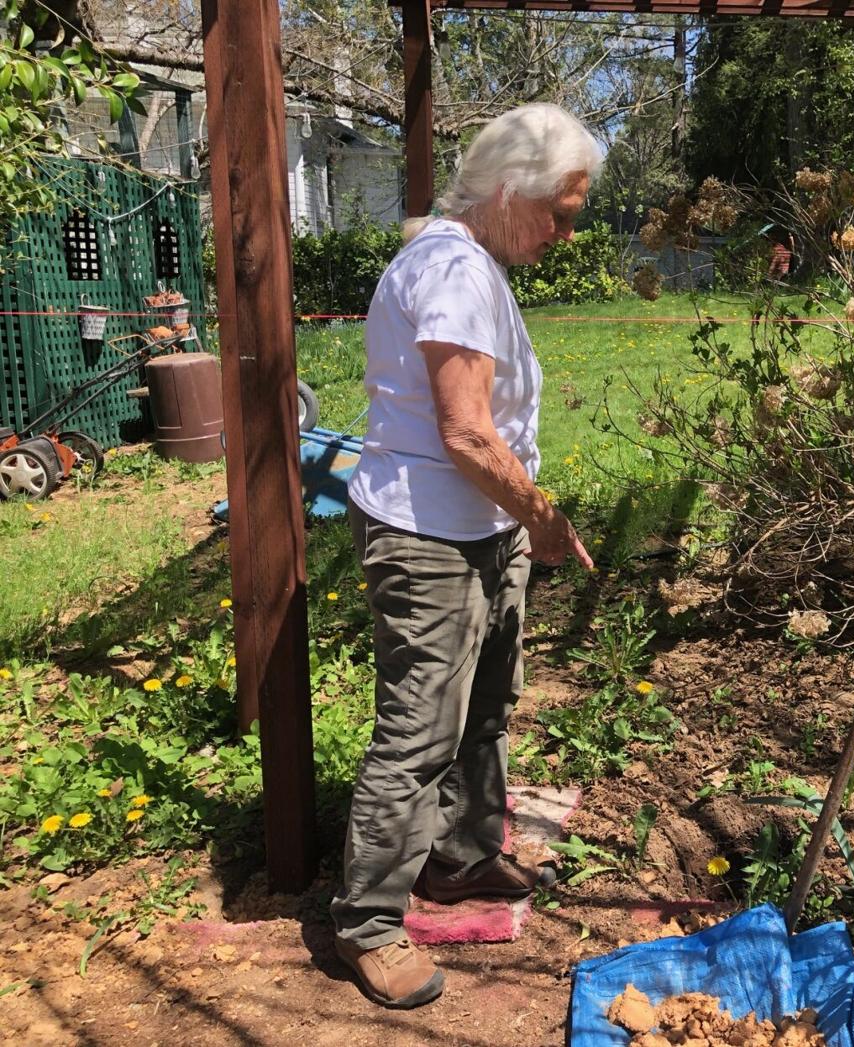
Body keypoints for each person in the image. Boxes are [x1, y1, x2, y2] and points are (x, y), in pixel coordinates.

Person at [330, 103, 601, 1010]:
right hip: (431, 534)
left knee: (485, 704)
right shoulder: (451, 268)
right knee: (417, 733)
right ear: (507, 191)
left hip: (480, 528)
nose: (566, 233)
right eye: (560, 212)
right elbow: (469, 437)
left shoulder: (472, 262)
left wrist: (517, 526)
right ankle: (367, 921)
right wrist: (547, 519)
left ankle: (458, 856)